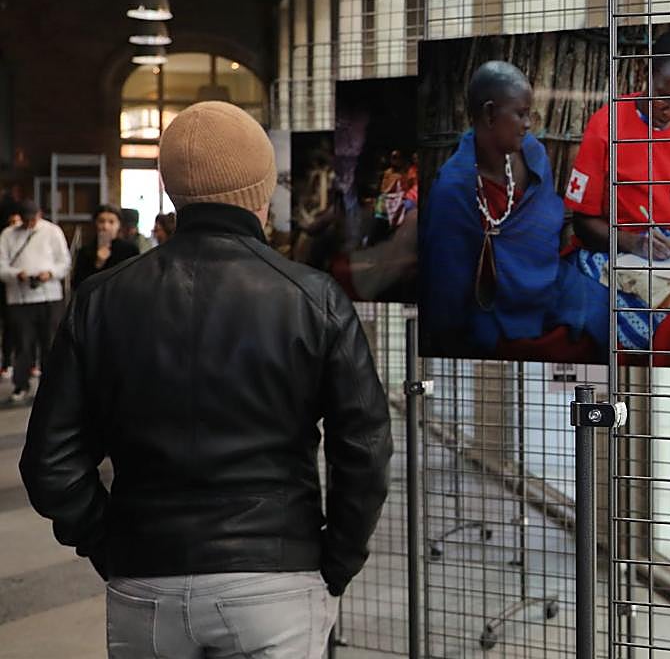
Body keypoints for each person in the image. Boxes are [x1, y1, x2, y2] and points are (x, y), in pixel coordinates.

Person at [20, 101, 392, 658]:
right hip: (276, 577)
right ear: (261, 188)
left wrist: (109, 542)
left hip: (146, 576)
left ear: (171, 192)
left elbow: (49, 461)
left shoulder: (100, 300)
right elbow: (364, 449)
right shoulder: (313, 300)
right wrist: (334, 561)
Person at [421, 61, 608, 361]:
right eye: (520, 114)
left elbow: (544, 225)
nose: (528, 124)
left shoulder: (531, 153)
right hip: (496, 305)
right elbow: (448, 284)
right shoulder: (454, 188)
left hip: (546, 280)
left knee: (602, 307)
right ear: (491, 114)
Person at [564, 25, 670, 364]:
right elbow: (583, 223)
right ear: (644, 73)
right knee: (665, 315)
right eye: (663, 95)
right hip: (620, 251)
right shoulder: (606, 125)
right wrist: (634, 242)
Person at [0, 201, 71, 403]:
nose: (30, 224)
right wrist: (16, 274)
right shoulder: (8, 234)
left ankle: (52, 387)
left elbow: (64, 262)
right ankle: (20, 385)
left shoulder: (52, 231)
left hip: (49, 296)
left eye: (33, 219)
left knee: (50, 342)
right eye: (26, 220)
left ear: (39, 214)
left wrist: (50, 273)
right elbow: (1, 265)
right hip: (19, 298)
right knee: (23, 343)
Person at [71, 205, 139, 289]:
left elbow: (135, 278)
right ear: (96, 223)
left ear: (119, 224)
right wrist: (98, 263)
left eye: (111, 222)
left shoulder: (130, 250)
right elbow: (78, 284)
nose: (105, 227)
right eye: (101, 221)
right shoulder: (85, 251)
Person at [0, 211, 20, 382]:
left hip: (26, 294)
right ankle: (7, 363)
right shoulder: (6, 237)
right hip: (9, 293)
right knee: (10, 331)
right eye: (11, 221)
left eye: (17, 221)